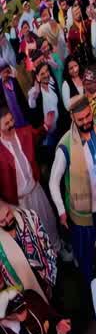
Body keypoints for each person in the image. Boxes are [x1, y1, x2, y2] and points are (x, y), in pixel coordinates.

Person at [49, 95, 96, 281]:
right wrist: (61, 211)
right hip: (82, 213)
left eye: (87, 117)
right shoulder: (65, 144)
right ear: (72, 119)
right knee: (86, 255)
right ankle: (90, 287)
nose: (85, 122)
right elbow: (53, 182)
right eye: (80, 119)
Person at [0, 104, 59, 244]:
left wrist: (46, 126)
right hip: (17, 203)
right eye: (6, 123)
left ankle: (57, 248)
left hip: (36, 191)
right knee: (30, 235)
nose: (11, 125)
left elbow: (37, 135)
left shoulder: (24, 132)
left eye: (11, 120)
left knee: (48, 222)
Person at [0, 200, 57, 303]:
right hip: (26, 298)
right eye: (2, 221)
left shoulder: (30, 217)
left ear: (8, 205)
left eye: (8, 215)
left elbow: (47, 247)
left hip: (47, 281)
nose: (7, 221)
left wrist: (50, 278)